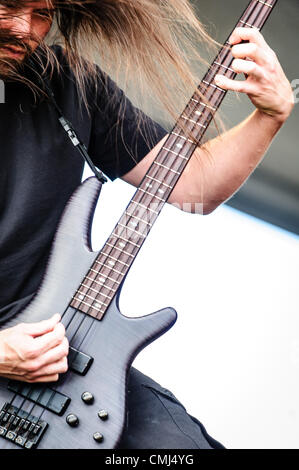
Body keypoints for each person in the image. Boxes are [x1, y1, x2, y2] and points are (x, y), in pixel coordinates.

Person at [0, 0, 294, 449]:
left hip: (65, 370)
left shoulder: (68, 84)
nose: (25, 27)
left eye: (42, 11)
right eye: (8, 5)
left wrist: (269, 116)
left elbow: (193, 185)